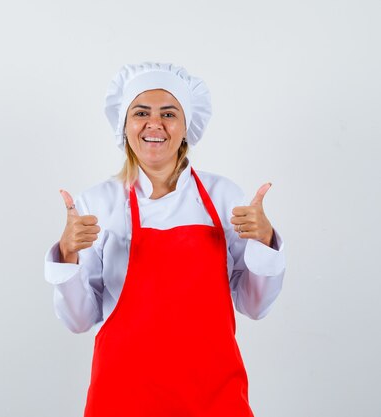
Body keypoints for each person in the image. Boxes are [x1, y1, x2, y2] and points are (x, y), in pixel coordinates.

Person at [43, 62, 285, 416]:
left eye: (168, 113)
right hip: (123, 394)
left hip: (214, 394)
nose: (154, 123)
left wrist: (265, 241)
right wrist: (67, 254)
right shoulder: (97, 203)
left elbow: (254, 306)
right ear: (124, 126)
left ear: (186, 127)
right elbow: (79, 320)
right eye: (141, 112)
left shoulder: (223, 196)